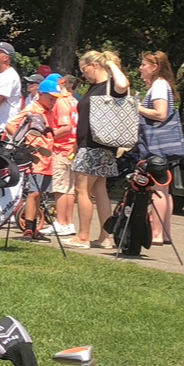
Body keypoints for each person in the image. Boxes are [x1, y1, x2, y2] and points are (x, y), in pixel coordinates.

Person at [65, 50, 130, 250]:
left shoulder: (110, 86)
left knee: (82, 190)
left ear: (94, 65)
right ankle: (104, 237)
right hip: (95, 145)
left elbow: (123, 85)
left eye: (84, 69)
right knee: (99, 190)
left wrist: (110, 64)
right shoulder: (95, 88)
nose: (83, 74)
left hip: (94, 146)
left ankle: (83, 236)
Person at [137, 51, 184, 244]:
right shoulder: (162, 85)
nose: (140, 68)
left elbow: (160, 114)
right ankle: (165, 233)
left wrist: (136, 107)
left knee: (157, 189)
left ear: (155, 67)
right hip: (165, 146)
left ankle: (157, 233)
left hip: (157, 146)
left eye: (144, 64)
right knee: (164, 190)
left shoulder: (158, 85)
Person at [4, 76, 57, 238]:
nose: (53, 101)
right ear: (41, 94)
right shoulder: (32, 109)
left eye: (55, 99)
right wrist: (24, 142)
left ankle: (34, 227)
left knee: (41, 193)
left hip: (48, 159)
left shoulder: (49, 112)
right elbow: (10, 125)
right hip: (36, 158)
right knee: (34, 192)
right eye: (51, 98)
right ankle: (28, 227)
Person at [46, 74, 78, 237]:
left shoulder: (61, 102)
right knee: (69, 188)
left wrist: (48, 137)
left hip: (62, 148)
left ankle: (61, 222)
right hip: (72, 148)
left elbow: (66, 127)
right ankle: (69, 223)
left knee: (59, 187)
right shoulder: (74, 101)